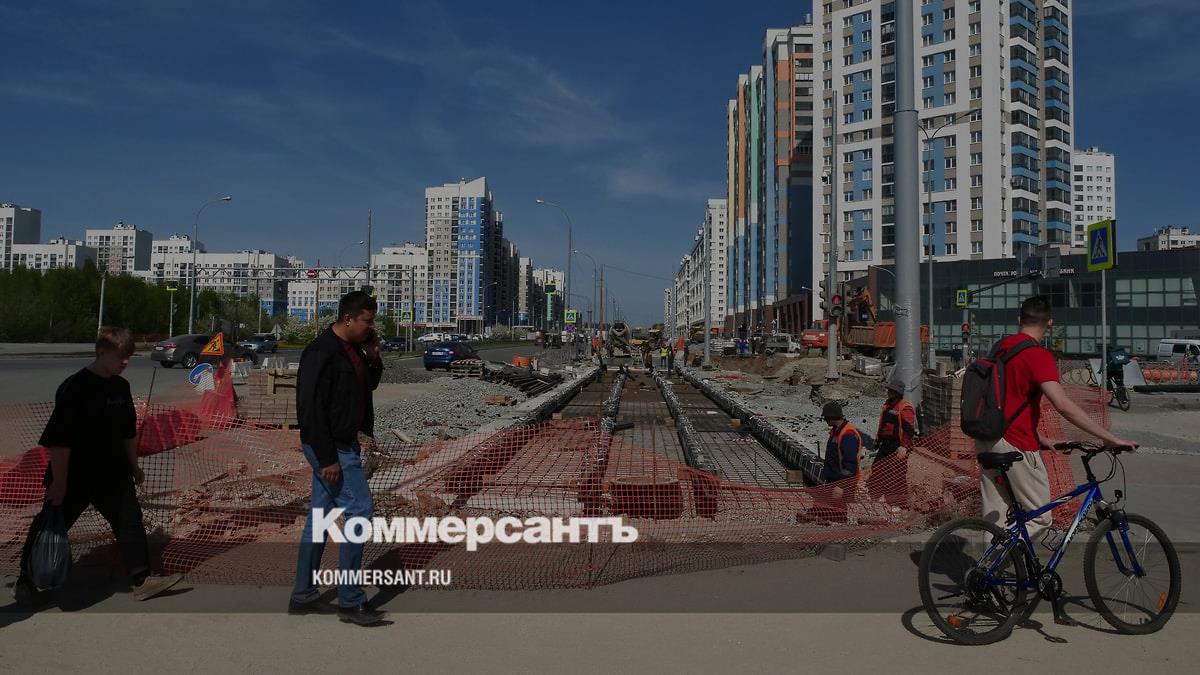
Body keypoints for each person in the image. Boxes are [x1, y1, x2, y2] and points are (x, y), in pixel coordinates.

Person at [14, 327, 183, 606]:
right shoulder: (74, 388)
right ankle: (26, 580)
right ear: (101, 353)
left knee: (129, 521)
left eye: (128, 357)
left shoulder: (121, 387)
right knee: (51, 525)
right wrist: (59, 481)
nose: (125, 362)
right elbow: (60, 440)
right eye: (120, 357)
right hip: (75, 474)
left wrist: (135, 467)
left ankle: (142, 579)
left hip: (113, 473)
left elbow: (128, 433)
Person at [975, 296, 1137, 544]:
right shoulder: (1037, 355)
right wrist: (1109, 438)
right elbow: (1063, 404)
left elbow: (1004, 400)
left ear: (1019, 319)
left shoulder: (1001, 347)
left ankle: (990, 567)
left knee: (997, 516)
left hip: (987, 436)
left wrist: (1040, 436)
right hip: (1016, 443)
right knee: (1040, 517)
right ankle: (1004, 557)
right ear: (1049, 323)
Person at [291, 291, 387, 626]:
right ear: (348, 318)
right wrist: (327, 458)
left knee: (320, 518)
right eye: (367, 321)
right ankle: (350, 600)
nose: (371, 327)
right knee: (361, 510)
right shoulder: (321, 352)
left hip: (343, 444)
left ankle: (303, 594)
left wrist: (373, 357)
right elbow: (309, 409)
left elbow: (367, 385)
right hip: (330, 447)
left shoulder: (354, 350)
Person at [867, 380, 917, 508]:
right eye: (889, 390)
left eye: (892, 390)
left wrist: (904, 447)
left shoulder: (904, 407)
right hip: (886, 444)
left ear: (898, 392)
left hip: (898, 445)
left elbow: (908, 430)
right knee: (877, 469)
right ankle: (875, 497)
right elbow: (883, 425)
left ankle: (898, 504)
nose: (889, 392)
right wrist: (878, 440)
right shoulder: (888, 405)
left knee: (897, 474)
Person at [814, 401, 863, 523]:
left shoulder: (848, 434)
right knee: (824, 510)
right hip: (833, 479)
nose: (825, 420)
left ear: (832, 416)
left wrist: (841, 486)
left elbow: (850, 463)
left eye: (826, 417)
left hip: (842, 481)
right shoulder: (837, 430)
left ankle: (840, 529)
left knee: (837, 514)